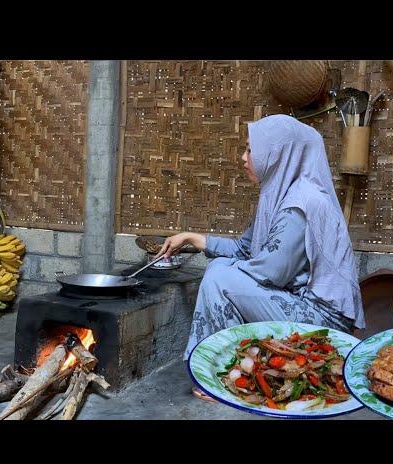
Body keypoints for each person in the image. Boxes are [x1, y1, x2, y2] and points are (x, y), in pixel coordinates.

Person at [156, 114, 365, 401]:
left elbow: (272, 272)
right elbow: (245, 249)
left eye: (251, 150)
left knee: (220, 277)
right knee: (221, 271)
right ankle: (238, 372)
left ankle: (222, 378)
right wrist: (192, 238)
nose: (244, 158)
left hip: (322, 319)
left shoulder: (302, 203)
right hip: (298, 303)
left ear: (278, 154)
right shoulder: (280, 196)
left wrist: (224, 268)